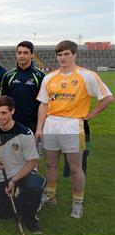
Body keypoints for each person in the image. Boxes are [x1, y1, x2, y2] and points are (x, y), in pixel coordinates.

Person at [36, 40, 113, 219]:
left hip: (72, 125)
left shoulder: (87, 76)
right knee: (50, 163)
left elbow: (108, 98)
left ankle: (77, 203)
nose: (62, 58)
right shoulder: (49, 77)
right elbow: (43, 104)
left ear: (74, 54)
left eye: (66, 54)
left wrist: (92, 114)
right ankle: (50, 195)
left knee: (76, 168)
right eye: (59, 54)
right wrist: (39, 127)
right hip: (51, 124)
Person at [0, 96, 44, 233]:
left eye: (4, 113)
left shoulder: (25, 133)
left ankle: (30, 218)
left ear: (12, 112)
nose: (0, 117)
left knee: (34, 188)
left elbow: (31, 163)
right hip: (3, 175)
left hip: (24, 171)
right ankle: (21, 198)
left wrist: (13, 180)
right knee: (4, 214)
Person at [0, 41, 45, 132]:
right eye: (19, 53)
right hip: (12, 123)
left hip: (33, 124)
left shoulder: (40, 76)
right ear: (16, 54)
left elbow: (44, 104)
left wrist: (39, 128)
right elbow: (2, 102)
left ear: (32, 55)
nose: (22, 56)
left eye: (25, 53)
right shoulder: (8, 76)